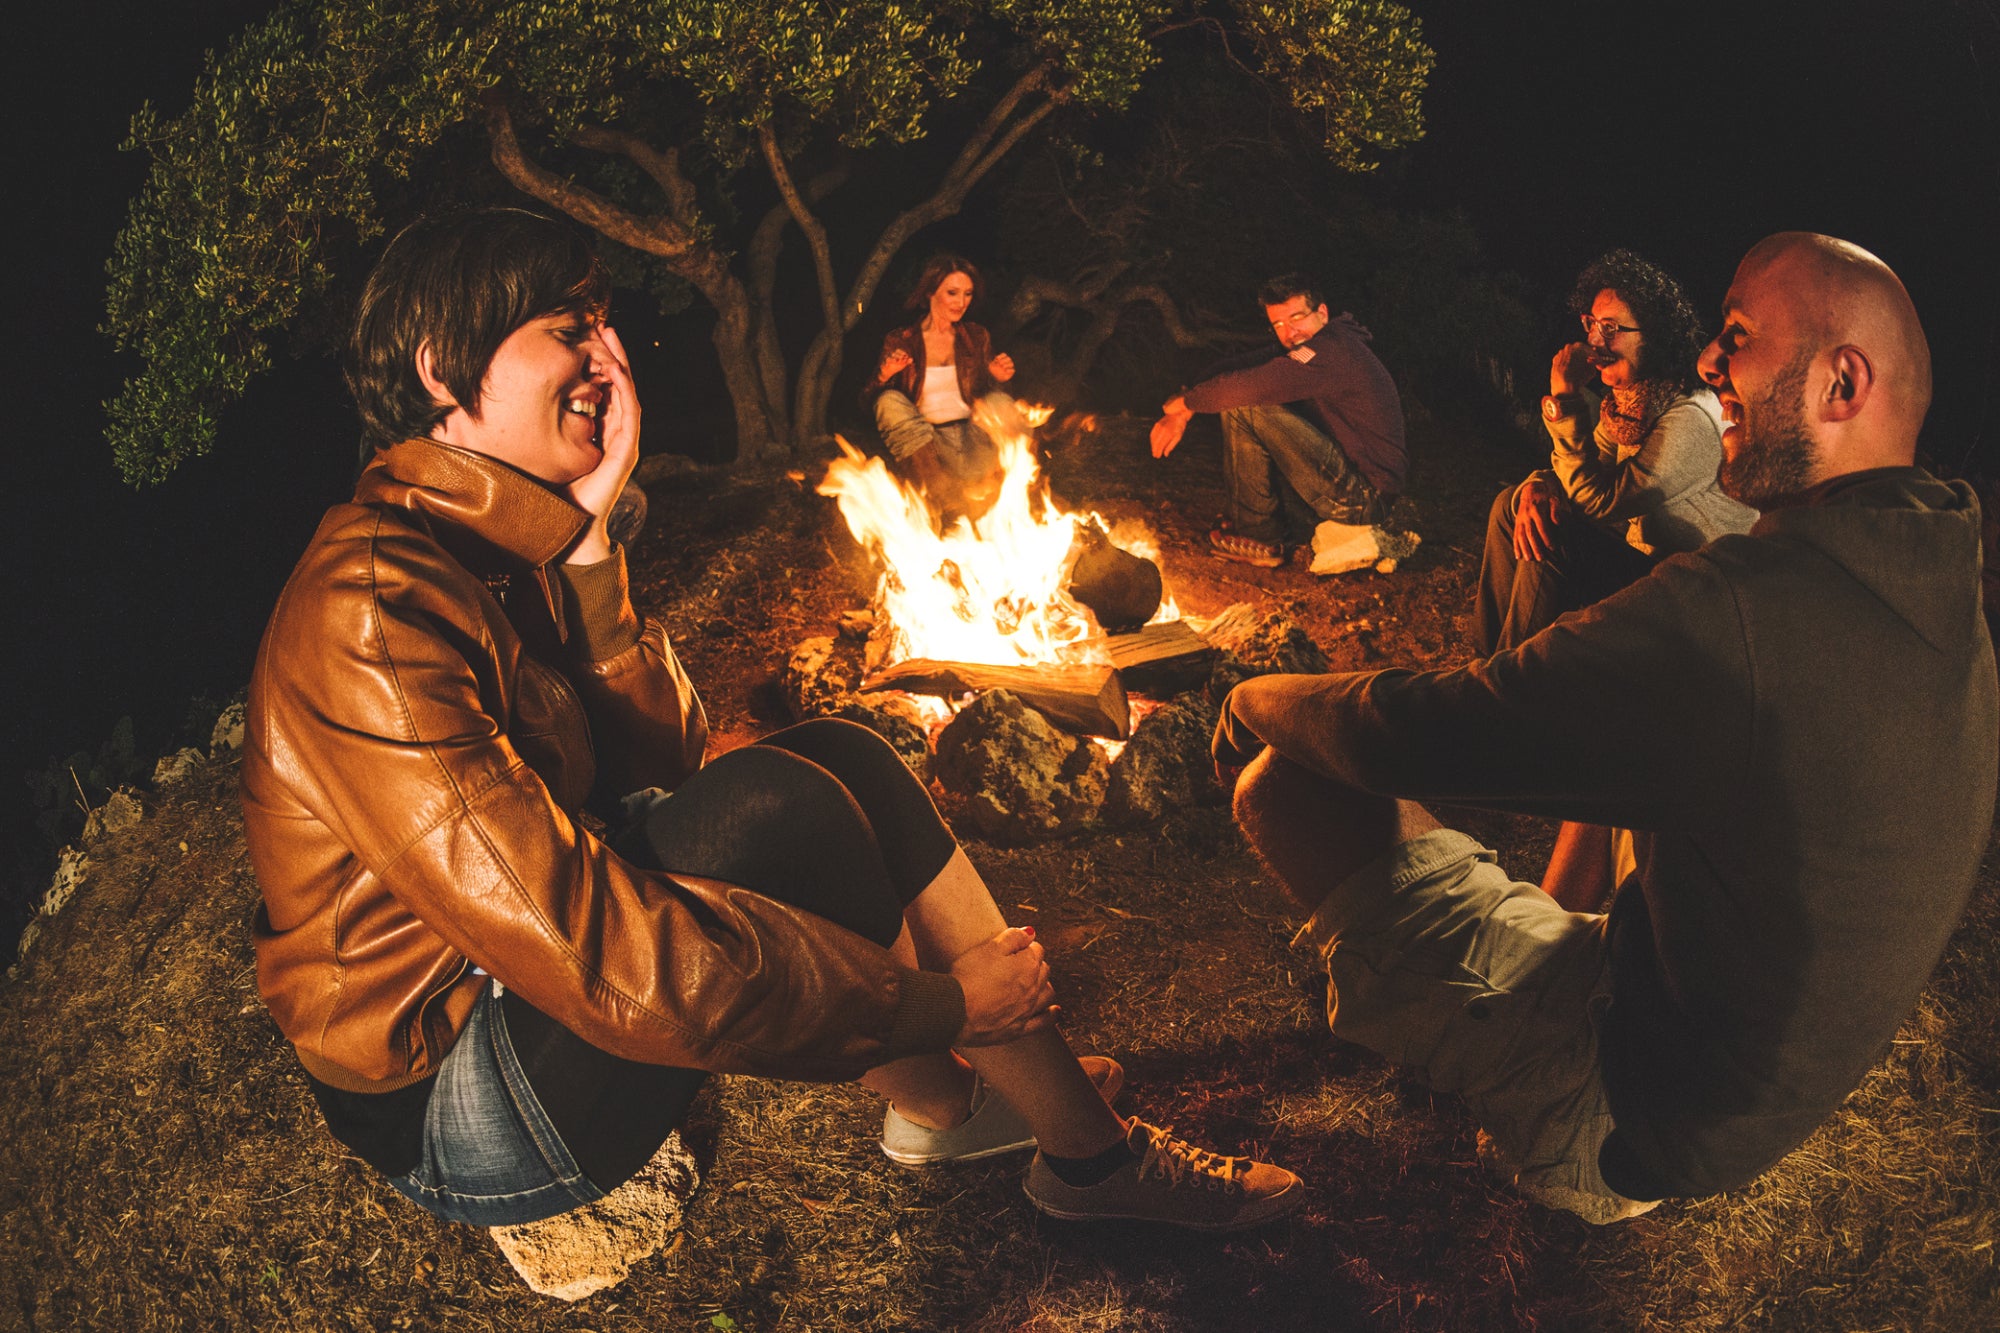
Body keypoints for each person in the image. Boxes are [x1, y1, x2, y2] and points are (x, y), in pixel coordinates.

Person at [241, 209, 1300, 1236]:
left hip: (525, 993)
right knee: (786, 807)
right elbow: (590, 948)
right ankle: (1089, 1158)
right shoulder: (375, 609)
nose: (607, 362)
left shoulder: (493, 550)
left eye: (603, 326)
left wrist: (591, 550)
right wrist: (935, 1004)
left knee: (845, 751)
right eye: (568, 330)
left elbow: (660, 769)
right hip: (455, 1093)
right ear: (441, 369)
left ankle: (953, 1110)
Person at [1212, 233, 1996, 1224]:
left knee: (1280, 779)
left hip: (1630, 1111)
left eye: (1737, 337)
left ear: (1841, 383)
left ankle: (1505, 1061)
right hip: (1742, 1071)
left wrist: (1251, 699)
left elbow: (1426, 733)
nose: (1707, 361)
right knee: (1613, 732)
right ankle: (1521, 938)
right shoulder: (1934, 575)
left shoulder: (1750, 610)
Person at [1475, 250, 1757, 655]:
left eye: (1611, 327)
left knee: (1555, 531)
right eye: (1591, 324)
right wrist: (1539, 485)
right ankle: (1483, 666)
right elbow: (1587, 471)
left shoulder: (1690, 416)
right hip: (1654, 573)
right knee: (1513, 504)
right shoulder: (1630, 406)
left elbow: (1597, 502)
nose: (1595, 341)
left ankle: (1509, 683)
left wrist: (1565, 398)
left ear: (1654, 337)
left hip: (1700, 598)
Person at [1150, 274, 1407, 567]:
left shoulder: (1333, 351)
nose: (1290, 331)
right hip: (1350, 484)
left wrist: (1186, 405)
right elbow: (1240, 366)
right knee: (1243, 396)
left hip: (1364, 498)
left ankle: (1260, 535)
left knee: (1245, 405)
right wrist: (1189, 397)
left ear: (1322, 313)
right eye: (1278, 324)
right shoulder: (1317, 345)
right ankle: (1258, 522)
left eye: (1297, 318)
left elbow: (1252, 385)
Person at [863, 254, 1026, 523]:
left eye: (968, 294)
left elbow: (988, 397)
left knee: (1002, 402)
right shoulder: (901, 340)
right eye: (952, 293)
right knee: (888, 401)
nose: (961, 302)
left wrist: (997, 377)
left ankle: (1016, 495)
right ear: (930, 292)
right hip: (930, 449)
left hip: (974, 441)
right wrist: (884, 376)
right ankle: (943, 502)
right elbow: (869, 404)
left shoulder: (976, 337)